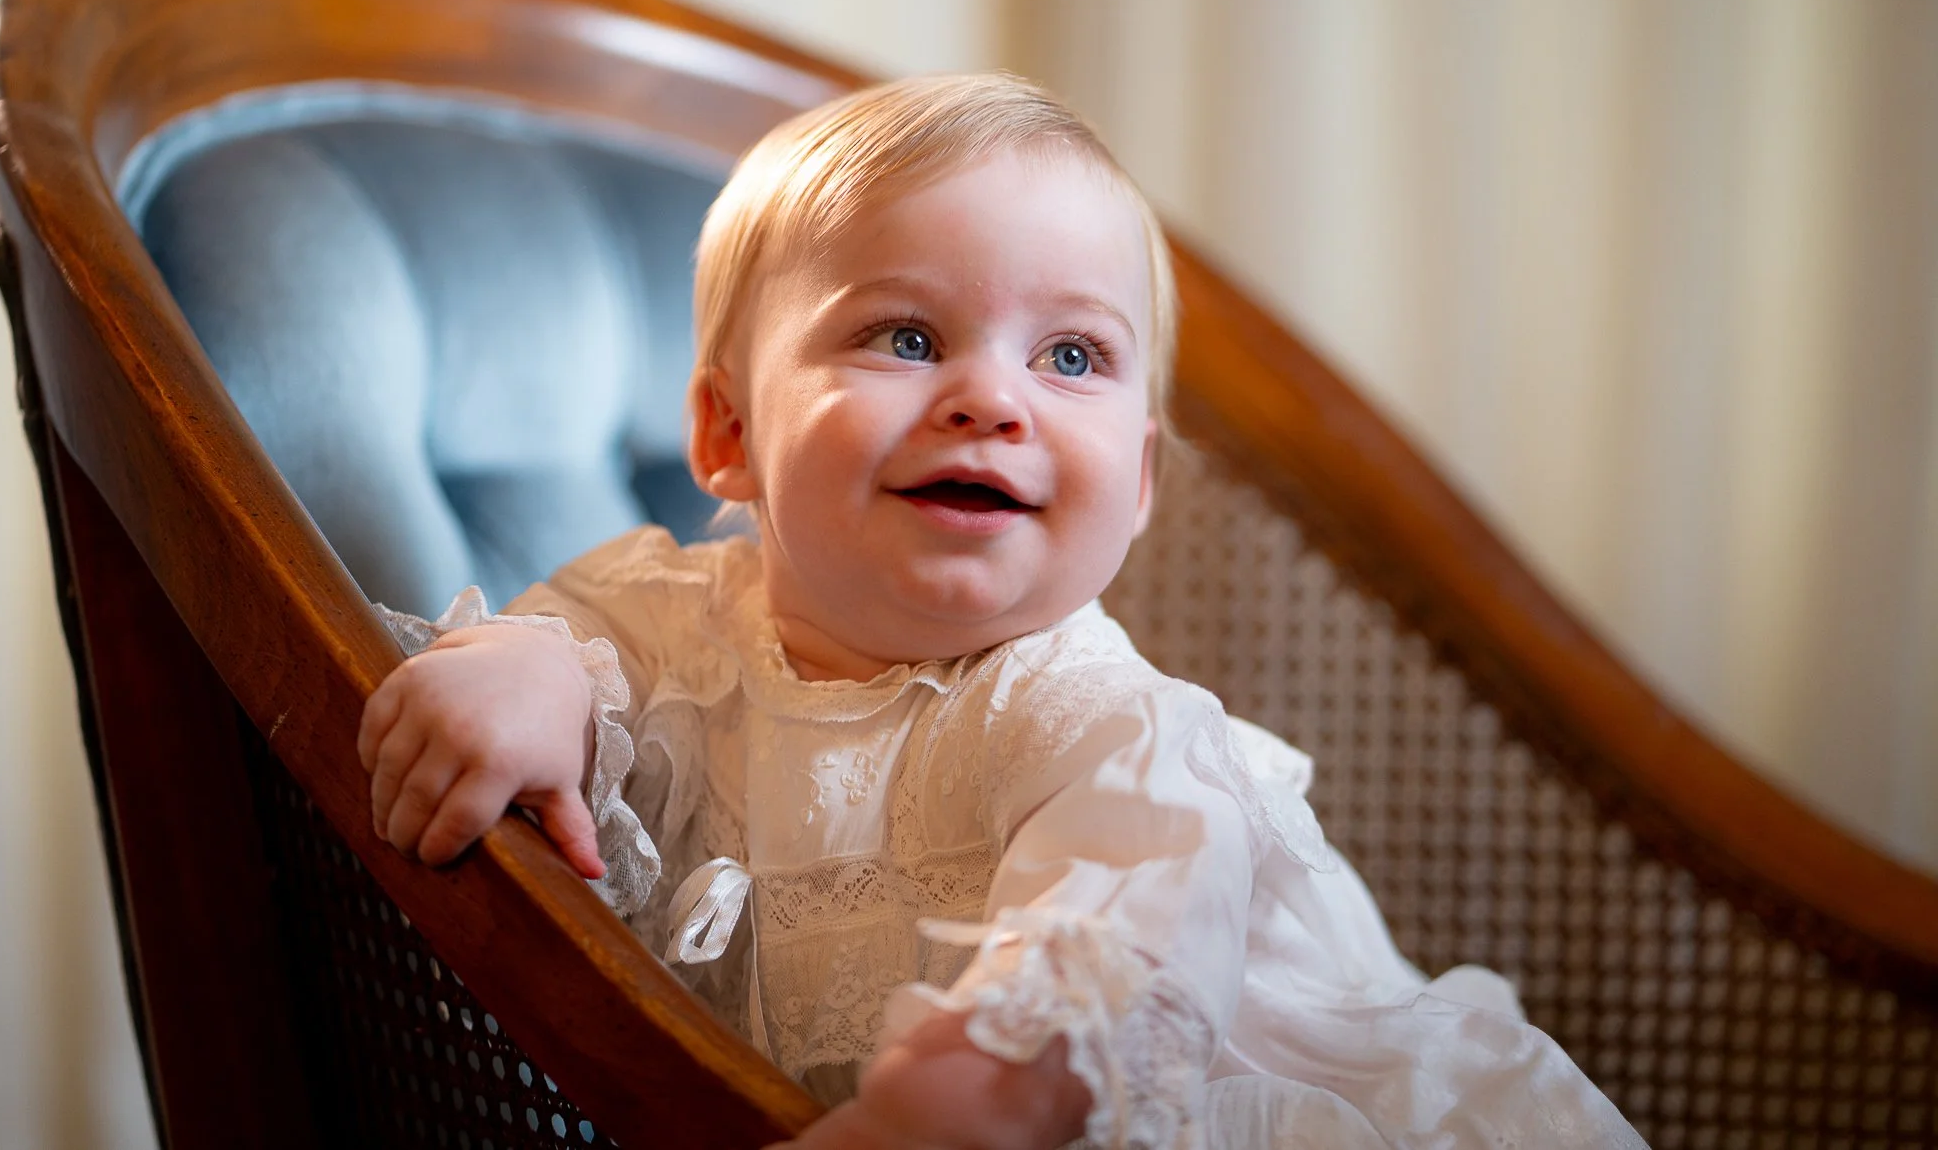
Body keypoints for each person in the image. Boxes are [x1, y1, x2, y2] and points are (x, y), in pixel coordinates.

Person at [357, 74, 1644, 1149]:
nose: (990, 398)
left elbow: (1103, 978)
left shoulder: (1102, 726)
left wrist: (964, 1099)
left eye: (1069, 356)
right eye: (905, 338)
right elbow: (572, 645)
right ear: (727, 430)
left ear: (1136, 481)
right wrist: (516, 671)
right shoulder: (670, 608)